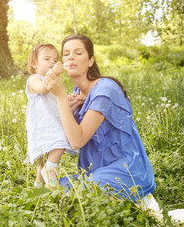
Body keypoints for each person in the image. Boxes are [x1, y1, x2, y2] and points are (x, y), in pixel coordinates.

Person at [43, 35, 156, 201]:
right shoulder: (77, 92)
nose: (71, 57)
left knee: (78, 194)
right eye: (66, 54)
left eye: (78, 53)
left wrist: (60, 96)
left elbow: (77, 141)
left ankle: (139, 199)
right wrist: (67, 108)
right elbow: (68, 138)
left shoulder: (105, 89)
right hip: (96, 171)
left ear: (90, 61)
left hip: (128, 169)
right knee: (54, 188)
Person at [25, 43, 79, 188]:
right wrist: (53, 73)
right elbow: (43, 90)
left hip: (52, 121)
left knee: (45, 159)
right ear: (34, 64)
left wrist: (72, 100)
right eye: (47, 59)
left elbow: (56, 101)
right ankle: (51, 169)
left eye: (55, 60)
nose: (52, 62)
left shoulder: (53, 80)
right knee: (60, 141)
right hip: (42, 125)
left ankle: (38, 186)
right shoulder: (34, 79)